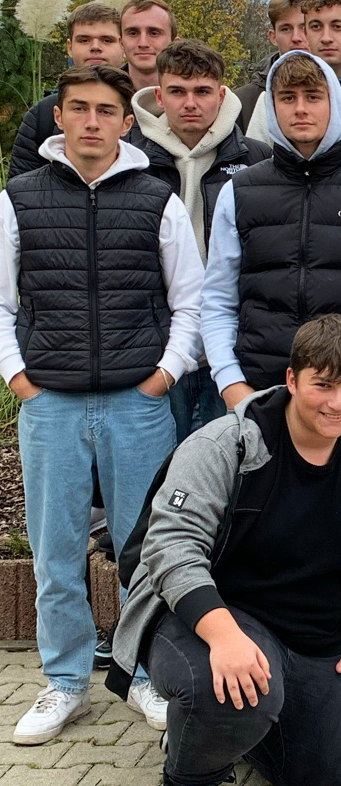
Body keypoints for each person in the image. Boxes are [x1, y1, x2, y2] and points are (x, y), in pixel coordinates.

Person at [108, 316, 341, 786]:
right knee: (235, 686)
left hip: (309, 633)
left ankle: (226, 726)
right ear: (292, 379)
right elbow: (170, 548)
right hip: (206, 615)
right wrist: (223, 635)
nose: (338, 402)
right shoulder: (226, 444)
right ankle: (190, 785)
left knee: (324, 773)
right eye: (323, 384)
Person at [2, 64, 202, 745]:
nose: (92, 121)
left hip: (136, 404)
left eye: (106, 110)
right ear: (59, 117)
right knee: (56, 550)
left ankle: (145, 673)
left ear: (126, 120)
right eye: (78, 108)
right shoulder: (20, 198)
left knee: (145, 550)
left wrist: (163, 376)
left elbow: (191, 301)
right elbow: (1, 303)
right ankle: (63, 683)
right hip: (50, 403)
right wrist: (18, 379)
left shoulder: (156, 200)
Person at [201, 50, 341, 451]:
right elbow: (217, 299)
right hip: (258, 396)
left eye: (313, 96)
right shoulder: (240, 191)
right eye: (288, 97)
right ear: (272, 105)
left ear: (333, 101)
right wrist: (232, 384)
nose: (300, 108)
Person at [130, 40, 274, 440]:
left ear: (222, 94)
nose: (189, 102)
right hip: (156, 343)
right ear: (159, 96)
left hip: (230, 345)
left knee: (223, 461)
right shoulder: (131, 161)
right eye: (177, 91)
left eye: (202, 91)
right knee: (158, 468)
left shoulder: (255, 160)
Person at [246, 0, 341, 162]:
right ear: (306, 33)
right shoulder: (271, 101)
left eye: (337, 27)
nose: (326, 37)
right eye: (316, 27)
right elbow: (255, 176)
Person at [9, 2, 126, 178]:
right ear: (69, 47)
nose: (95, 46)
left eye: (106, 40)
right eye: (84, 40)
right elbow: (19, 193)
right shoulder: (42, 116)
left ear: (123, 46)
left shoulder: (144, 108)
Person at [234, 0, 312, 131]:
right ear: (273, 36)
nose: (296, 38)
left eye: (304, 28)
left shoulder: (339, 91)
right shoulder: (241, 101)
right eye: (286, 29)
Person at [121, 0, 177, 93]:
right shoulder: (100, 95)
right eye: (133, 33)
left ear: (174, 44)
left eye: (154, 33)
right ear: (121, 43)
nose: (143, 43)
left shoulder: (195, 99)